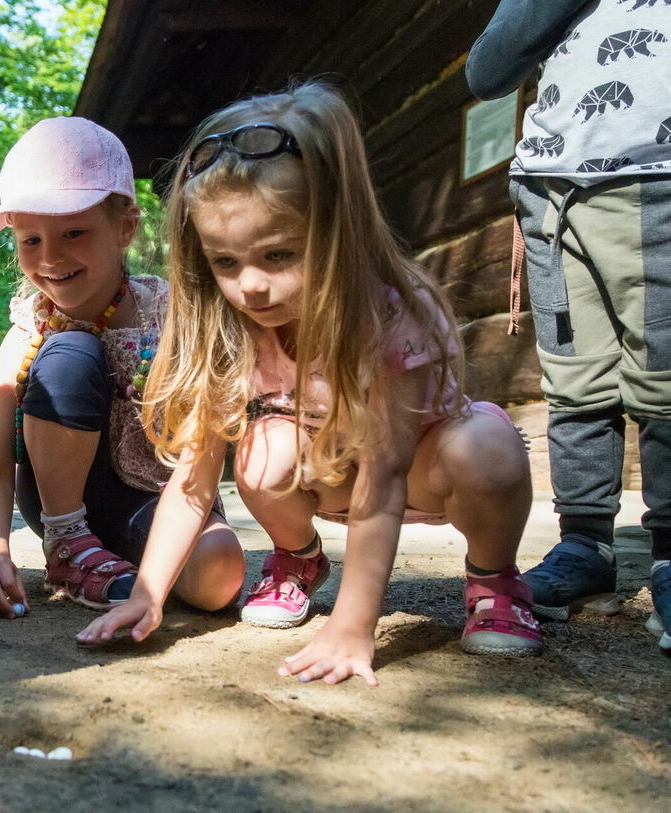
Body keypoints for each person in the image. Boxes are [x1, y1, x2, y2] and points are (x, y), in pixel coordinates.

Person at [77, 81, 543, 684]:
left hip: (419, 465)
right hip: (327, 468)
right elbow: (193, 482)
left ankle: (494, 580)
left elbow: (387, 474)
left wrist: (352, 626)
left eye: (278, 255)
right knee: (261, 452)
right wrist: (147, 593)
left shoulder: (393, 312)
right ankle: (297, 560)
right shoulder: (229, 329)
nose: (251, 287)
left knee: (486, 449)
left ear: (336, 229)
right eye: (225, 262)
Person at [0, 117, 243, 621]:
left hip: (163, 495)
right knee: (70, 354)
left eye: (73, 232)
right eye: (30, 240)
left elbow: (201, 458)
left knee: (219, 576)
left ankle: (129, 563)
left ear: (125, 227)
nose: (50, 257)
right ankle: (70, 546)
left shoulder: (175, 317)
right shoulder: (30, 331)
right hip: (63, 505)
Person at [467, 1, 671, 655]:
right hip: (550, 188)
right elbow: (488, 69)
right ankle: (586, 543)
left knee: (663, 374)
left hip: (656, 174)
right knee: (574, 374)